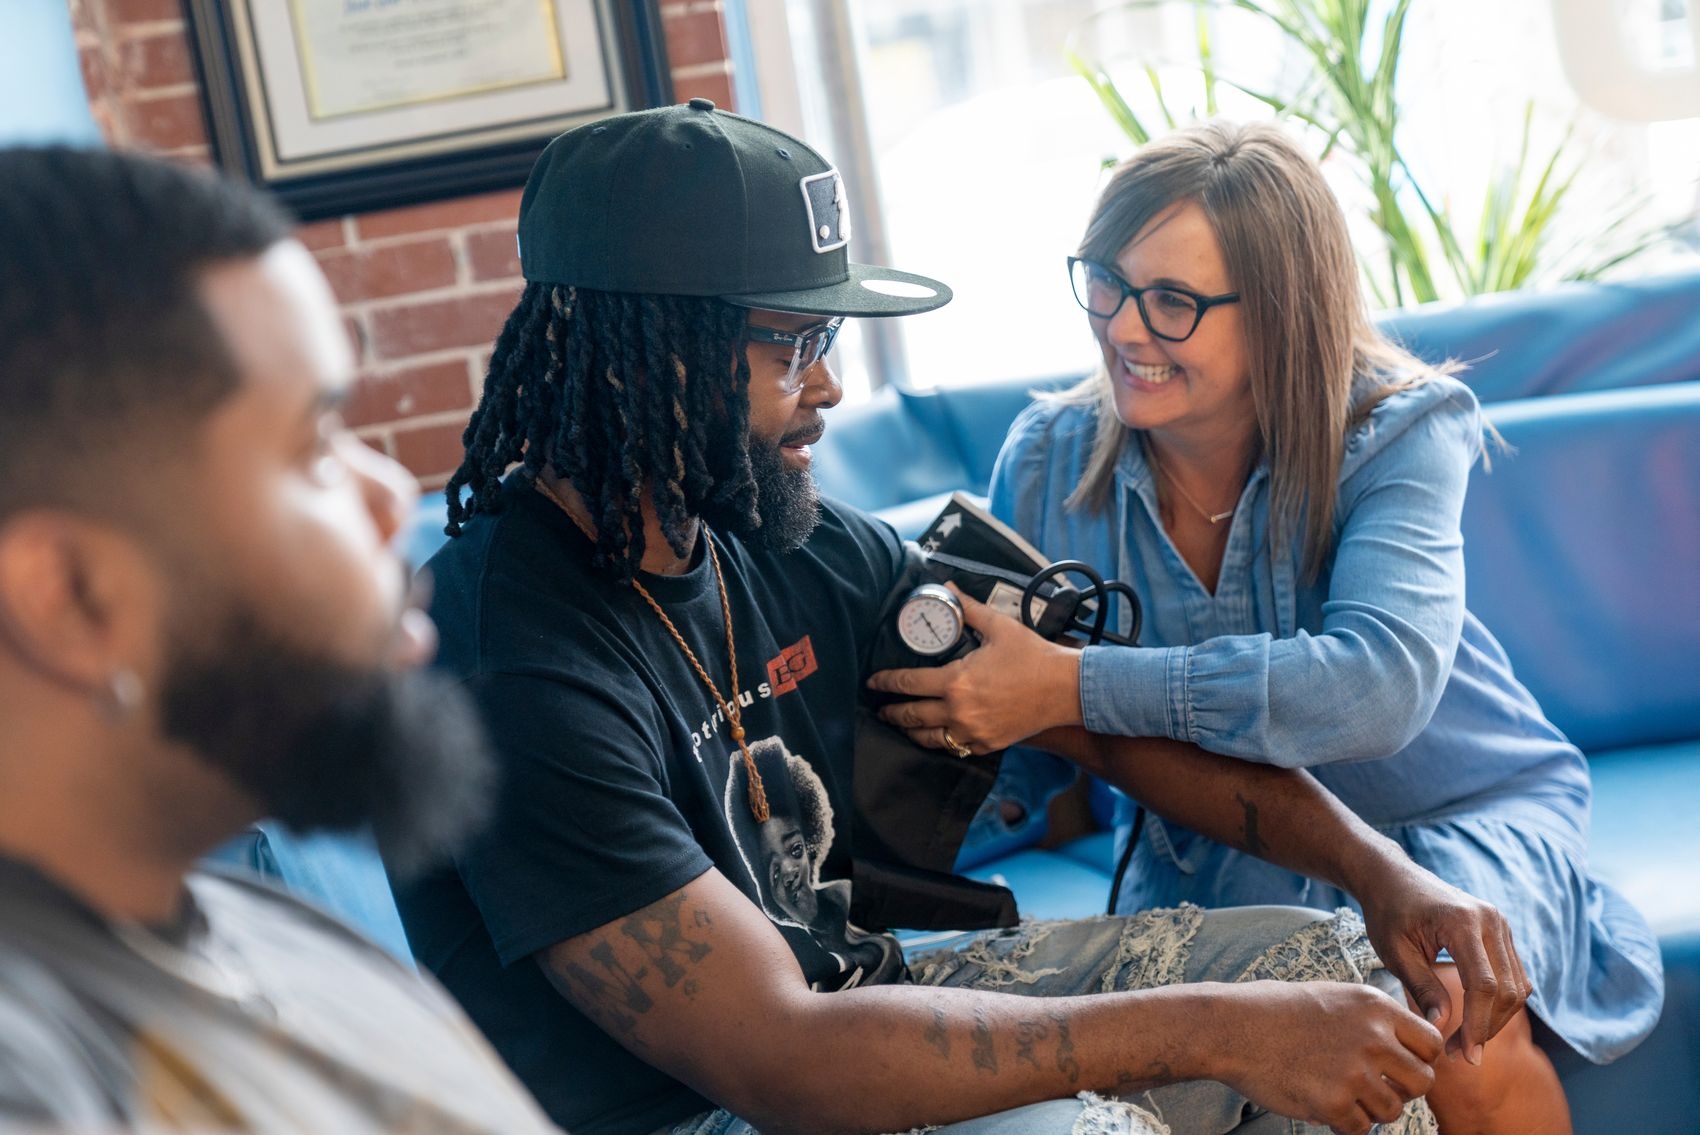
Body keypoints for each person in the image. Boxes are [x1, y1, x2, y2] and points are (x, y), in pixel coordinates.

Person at [395, 100, 1535, 1135]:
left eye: (828, 343)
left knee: (1326, 969)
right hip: (714, 1105)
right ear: (634, 360)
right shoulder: (515, 664)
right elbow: (778, 1059)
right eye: (791, 344)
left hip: (863, 1003)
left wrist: (1384, 874)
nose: (830, 388)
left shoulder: (764, 532)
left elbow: (1093, 723)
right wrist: (1216, 1028)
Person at [866, 120, 1665, 1135]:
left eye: (1170, 302)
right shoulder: (1043, 460)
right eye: (1102, 283)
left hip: (1460, 812)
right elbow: (1011, 758)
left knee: (1444, 1020)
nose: (1118, 328)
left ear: (1280, 312)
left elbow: (1372, 686)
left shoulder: (1397, 432)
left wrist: (1071, 687)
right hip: (1212, 846)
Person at [0, 146, 561, 1132]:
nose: (390, 496)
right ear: (74, 598)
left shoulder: (287, 935)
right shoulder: (35, 1078)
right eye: (313, 449)